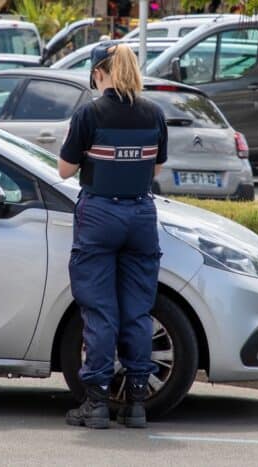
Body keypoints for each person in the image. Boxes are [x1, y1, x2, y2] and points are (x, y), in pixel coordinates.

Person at [59, 41, 167, 430]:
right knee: (137, 310)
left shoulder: (89, 113)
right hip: (140, 214)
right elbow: (155, 171)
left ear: (98, 73)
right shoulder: (154, 113)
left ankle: (98, 403)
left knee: (100, 310)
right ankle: (137, 401)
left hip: (100, 214)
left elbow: (64, 171)